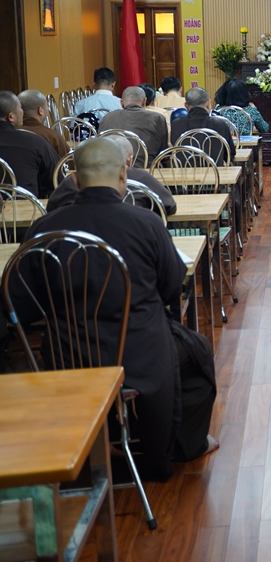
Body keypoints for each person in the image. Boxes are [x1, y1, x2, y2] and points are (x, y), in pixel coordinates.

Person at [14, 136, 217, 480]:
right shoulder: (146, 223)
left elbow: (22, 306)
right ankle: (181, 446)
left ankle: (91, 448)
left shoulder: (44, 229)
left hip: (69, 356)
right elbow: (172, 286)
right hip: (140, 355)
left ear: (74, 179)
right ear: (124, 173)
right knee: (198, 354)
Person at [48, 133, 176, 215]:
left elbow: (51, 207)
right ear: (124, 171)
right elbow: (169, 206)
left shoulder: (45, 226)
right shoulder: (141, 178)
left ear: (76, 179)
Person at [0, 90, 58, 197]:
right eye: (20, 108)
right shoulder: (34, 142)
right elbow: (56, 179)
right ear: (11, 117)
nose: (23, 112)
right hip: (28, 205)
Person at [99, 85, 171, 161]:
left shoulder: (108, 117)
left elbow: (100, 147)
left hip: (114, 166)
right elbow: (163, 152)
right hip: (146, 166)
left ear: (121, 102)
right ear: (144, 101)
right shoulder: (157, 118)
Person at [169, 87, 236, 165]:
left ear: (186, 106)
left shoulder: (176, 124)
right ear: (208, 104)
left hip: (184, 171)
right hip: (214, 171)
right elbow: (230, 153)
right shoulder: (220, 124)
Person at [17, 89, 69, 158]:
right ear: (40, 111)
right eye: (46, 106)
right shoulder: (52, 137)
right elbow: (68, 162)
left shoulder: (9, 133)